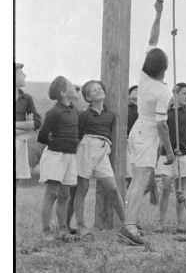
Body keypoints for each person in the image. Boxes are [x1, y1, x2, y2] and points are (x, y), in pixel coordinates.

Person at [119, 1, 175, 246]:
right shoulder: (164, 93)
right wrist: (170, 152)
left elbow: (153, 40)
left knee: (138, 180)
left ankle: (130, 221)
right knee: (140, 180)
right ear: (165, 68)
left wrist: (159, 12)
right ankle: (129, 226)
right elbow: (162, 126)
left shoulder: (143, 77)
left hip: (138, 130)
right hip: (148, 133)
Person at [66, 80, 126, 238]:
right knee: (82, 188)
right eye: (93, 90)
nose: (98, 91)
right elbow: (78, 137)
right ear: (88, 97)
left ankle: (127, 224)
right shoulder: (84, 115)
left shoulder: (110, 116)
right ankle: (81, 226)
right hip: (86, 149)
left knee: (112, 188)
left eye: (99, 88)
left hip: (103, 152)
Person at [155, 82, 186, 231]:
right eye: (184, 93)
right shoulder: (166, 113)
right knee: (165, 188)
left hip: (182, 156)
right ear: (175, 94)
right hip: (166, 155)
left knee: (180, 191)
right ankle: (160, 222)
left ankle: (180, 222)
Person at [36, 76, 80, 241]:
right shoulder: (53, 112)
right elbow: (41, 137)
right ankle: (46, 231)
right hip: (55, 156)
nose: (75, 87)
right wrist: (57, 144)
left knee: (64, 195)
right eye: (70, 85)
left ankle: (63, 230)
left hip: (70, 157)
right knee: (52, 194)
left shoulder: (74, 111)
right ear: (63, 93)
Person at [15, 62, 42, 184]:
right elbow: (30, 126)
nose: (25, 75)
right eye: (20, 73)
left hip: (20, 144)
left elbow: (36, 123)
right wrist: (26, 125)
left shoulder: (27, 98)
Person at [125, 85, 138, 187]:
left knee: (134, 174)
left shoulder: (141, 108)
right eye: (135, 90)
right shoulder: (124, 107)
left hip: (136, 143)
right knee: (127, 172)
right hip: (125, 141)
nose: (138, 92)